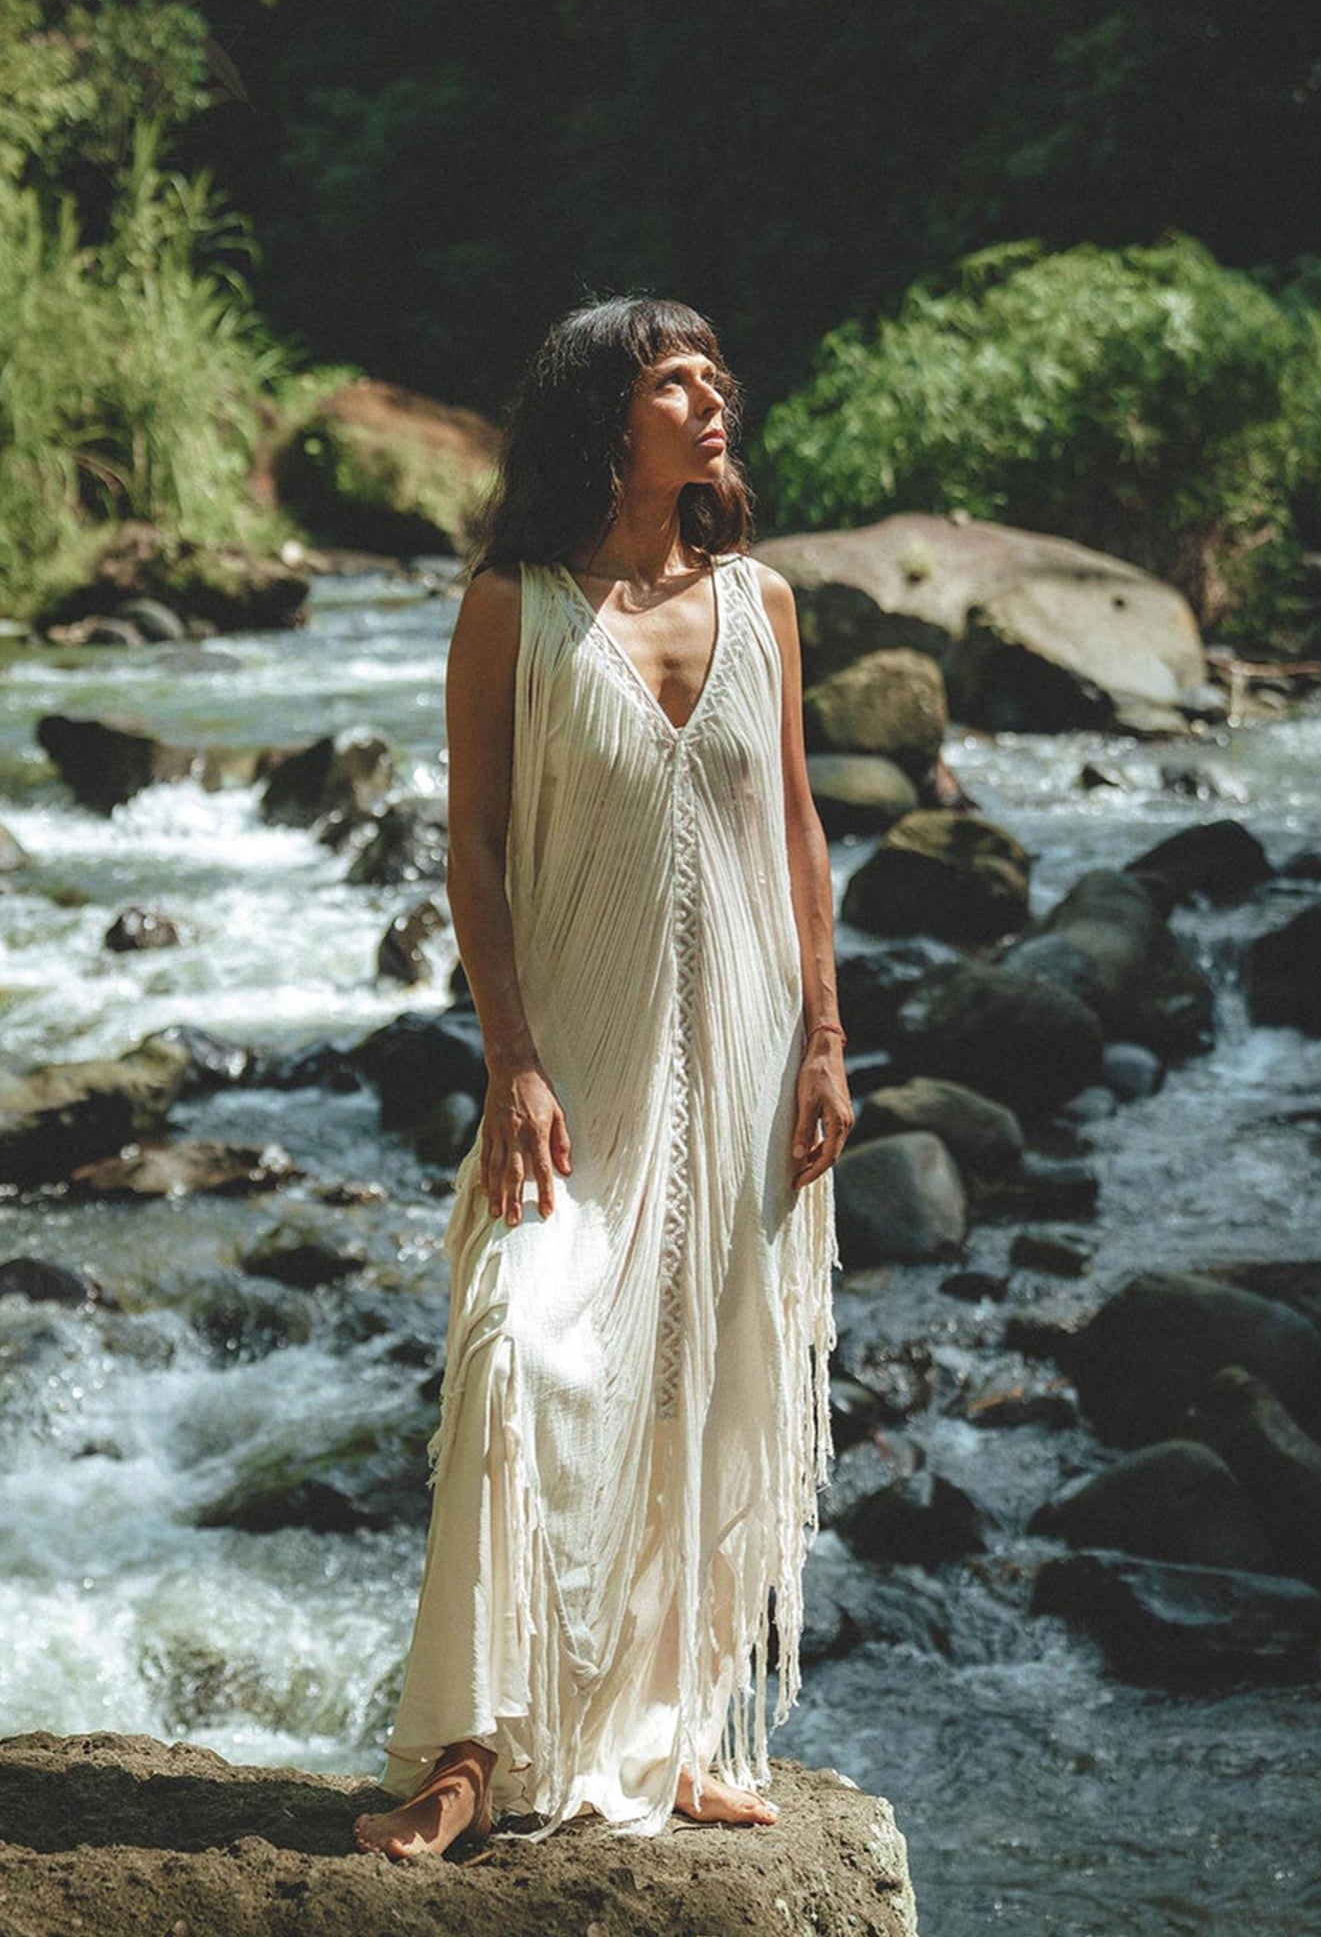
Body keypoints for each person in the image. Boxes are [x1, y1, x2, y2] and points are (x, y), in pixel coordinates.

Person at [354, 295, 852, 1860]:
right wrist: (510, 1061)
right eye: (671, 381)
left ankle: (674, 1728)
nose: (711, 400)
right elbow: (479, 848)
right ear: (601, 419)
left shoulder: (761, 603)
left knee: (711, 1385)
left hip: (754, 1041)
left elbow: (795, 831)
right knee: (522, 1347)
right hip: (578, 1048)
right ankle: (467, 1746)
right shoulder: (515, 602)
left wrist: (827, 1034)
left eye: (714, 376)